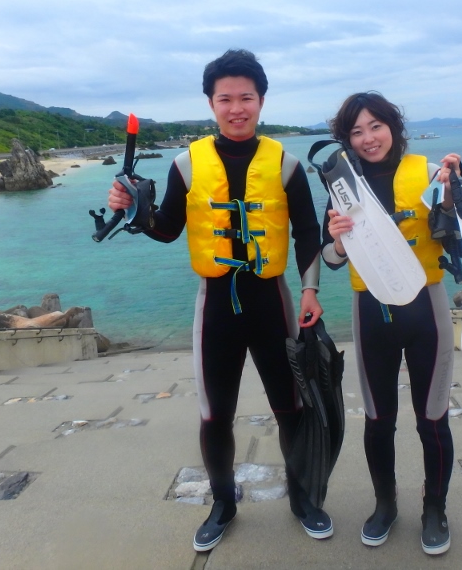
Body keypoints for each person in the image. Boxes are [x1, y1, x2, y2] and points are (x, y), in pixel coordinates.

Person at [107, 49, 329, 552]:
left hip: (272, 302)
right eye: (225, 99)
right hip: (215, 307)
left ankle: (303, 499)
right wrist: (134, 209)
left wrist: (311, 290)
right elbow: (167, 228)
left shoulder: (286, 164)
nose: (236, 108)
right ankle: (223, 504)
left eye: (245, 98)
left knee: (291, 408)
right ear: (211, 103)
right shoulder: (186, 164)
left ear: (261, 101)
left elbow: (307, 231)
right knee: (215, 415)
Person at [320, 91, 459, 556]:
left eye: (375, 126)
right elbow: (329, 258)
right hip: (371, 312)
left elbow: (459, 235)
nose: (368, 138)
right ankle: (385, 504)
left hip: (427, 309)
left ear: (393, 127)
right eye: (356, 131)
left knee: (432, 419)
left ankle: (435, 508)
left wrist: (454, 192)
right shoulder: (342, 186)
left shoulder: (429, 173)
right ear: (347, 140)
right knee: (378, 421)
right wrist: (339, 242)